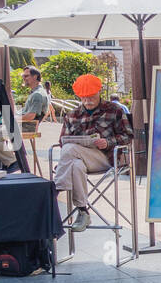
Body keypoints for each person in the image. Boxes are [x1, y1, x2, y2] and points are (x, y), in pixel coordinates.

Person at [56, 73, 132, 232]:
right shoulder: (72, 115)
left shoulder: (114, 110)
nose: (87, 101)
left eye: (91, 97)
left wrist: (108, 142)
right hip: (79, 159)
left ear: (99, 92)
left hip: (105, 157)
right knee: (75, 164)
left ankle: (56, 190)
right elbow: (62, 141)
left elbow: (128, 136)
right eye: (83, 98)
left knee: (70, 150)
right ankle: (83, 211)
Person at [20, 66, 51, 136]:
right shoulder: (37, 92)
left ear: (35, 77)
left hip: (28, 127)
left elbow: (31, 116)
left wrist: (13, 119)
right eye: (23, 76)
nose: (23, 78)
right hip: (27, 125)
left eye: (26, 76)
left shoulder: (37, 94)